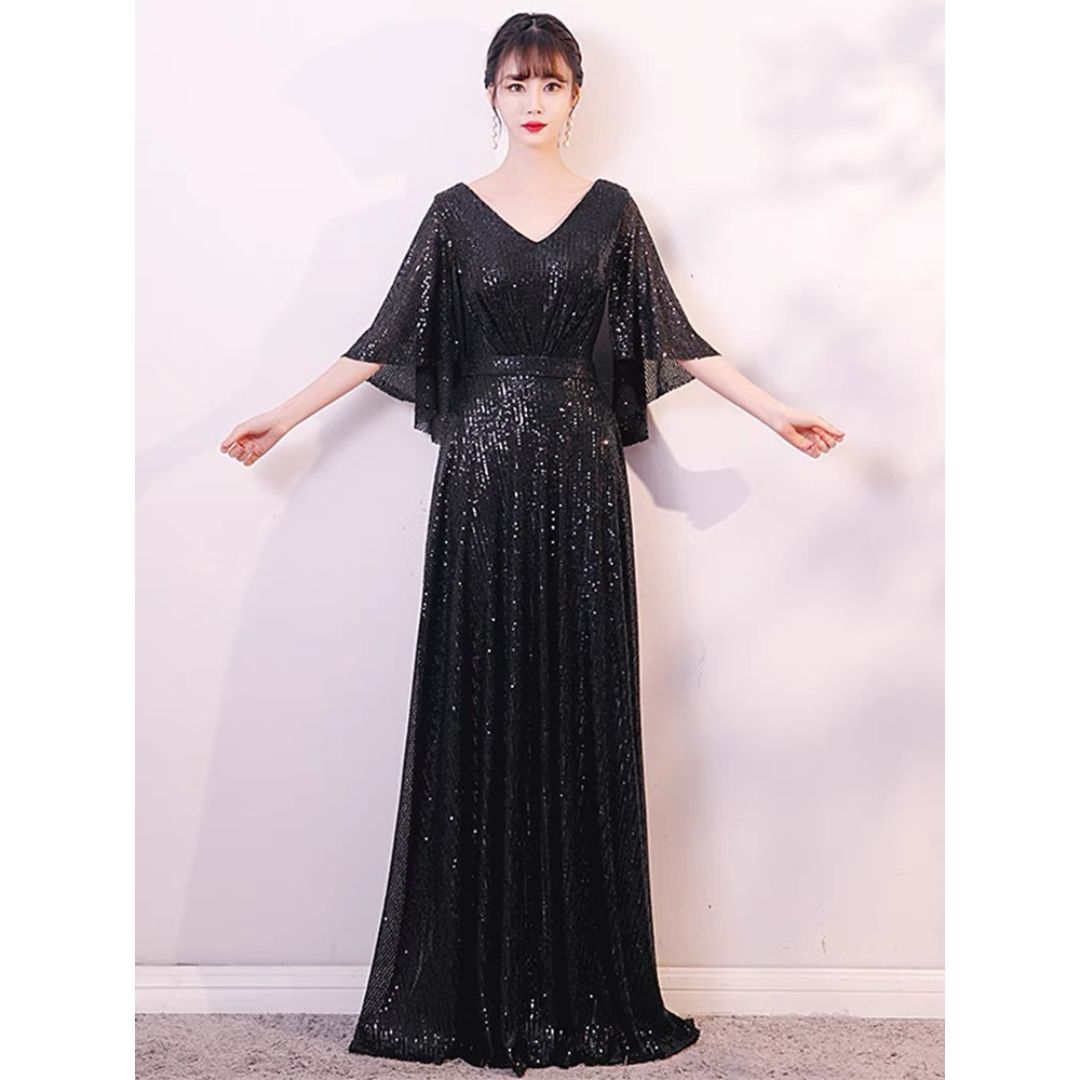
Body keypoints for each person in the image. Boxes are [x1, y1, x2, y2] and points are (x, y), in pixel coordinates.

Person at [220, 12, 843, 1076]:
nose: (534, 100)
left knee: (574, 695)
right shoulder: (452, 216)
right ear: (491, 96)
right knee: (481, 692)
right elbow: (381, 340)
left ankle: (579, 977)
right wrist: (282, 417)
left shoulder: (613, 213)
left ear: (577, 94)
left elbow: (677, 338)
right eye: (517, 84)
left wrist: (777, 413)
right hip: (479, 480)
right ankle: (471, 982)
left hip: (581, 475)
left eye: (551, 82)